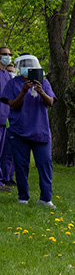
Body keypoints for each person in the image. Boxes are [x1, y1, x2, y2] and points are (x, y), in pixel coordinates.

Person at [0, 54, 57, 207]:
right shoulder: (13, 83)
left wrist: (41, 92)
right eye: (24, 65)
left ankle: (46, 198)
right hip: (19, 130)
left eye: (30, 65)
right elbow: (12, 105)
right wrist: (23, 92)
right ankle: (23, 197)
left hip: (40, 130)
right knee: (20, 165)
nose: (27, 68)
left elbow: (50, 102)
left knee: (45, 164)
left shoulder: (44, 82)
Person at [0, 46, 15, 190]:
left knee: (5, 151)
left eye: (9, 54)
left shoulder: (7, 75)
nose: (8, 56)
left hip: (6, 118)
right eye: (5, 54)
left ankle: (4, 178)